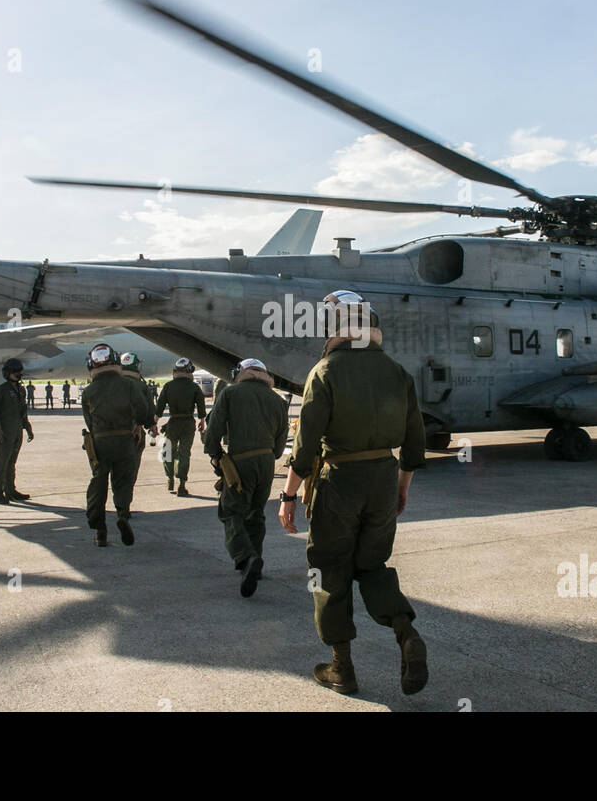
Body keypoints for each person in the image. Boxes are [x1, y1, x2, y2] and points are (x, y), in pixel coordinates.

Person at [279, 290, 427, 696]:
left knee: (328, 570)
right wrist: (401, 487)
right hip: (383, 477)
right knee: (373, 565)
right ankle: (405, 631)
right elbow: (415, 443)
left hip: (339, 478)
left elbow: (305, 445)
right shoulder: (398, 372)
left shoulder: (325, 371)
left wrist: (288, 495)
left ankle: (341, 667)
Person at [203, 358, 288, 598]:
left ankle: (245, 558)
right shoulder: (277, 400)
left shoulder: (231, 394)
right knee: (256, 513)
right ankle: (256, 562)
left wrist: (216, 455)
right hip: (266, 463)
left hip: (240, 460)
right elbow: (280, 448)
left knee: (230, 511)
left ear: (240, 373)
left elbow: (213, 431)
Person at [82, 342, 153, 547]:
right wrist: (139, 424)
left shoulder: (88, 391)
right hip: (125, 440)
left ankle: (100, 531)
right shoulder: (129, 385)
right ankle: (122, 514)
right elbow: (143, 409)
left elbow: (88, 420)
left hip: (99, 442)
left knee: (99, 482)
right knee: (123, 481)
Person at [156, 357, 208, 496]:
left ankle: (169, 479)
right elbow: (201, 409)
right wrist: (202, 423)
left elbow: (159, 408)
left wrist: (154, 424)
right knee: (184, 453)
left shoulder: (168, 386)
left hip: (172, 423)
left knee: (167, 452)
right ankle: (182, 485)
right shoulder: (194, 387)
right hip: (188, 423)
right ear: (189, 370)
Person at [0, 358, 34, 504]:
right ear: (8, 373)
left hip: (17, 431)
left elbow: (23, 411)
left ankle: (10, 490)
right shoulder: (0, 391)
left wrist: (28, 428)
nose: (18, 374)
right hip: (5, 432)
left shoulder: (21, 390)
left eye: (19, 372)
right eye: (15, 372)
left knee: (12, 463)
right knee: (1, 463)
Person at [120, 352, 157, 481]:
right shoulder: (141, 386)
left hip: (109, 432)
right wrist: (150, 426)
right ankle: (125, 493)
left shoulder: (111, 384)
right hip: (134, 431)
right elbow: (148, 409)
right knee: (131, 468)